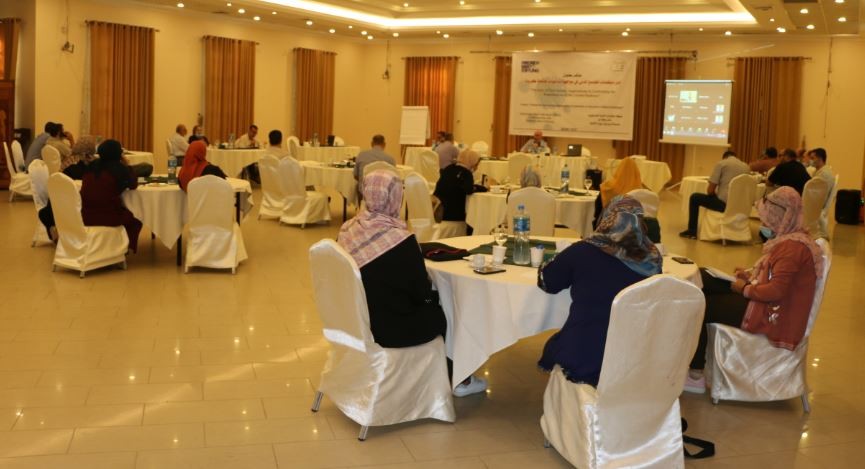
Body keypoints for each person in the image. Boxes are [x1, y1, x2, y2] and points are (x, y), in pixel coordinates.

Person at [337, 170, 487, 397]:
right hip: (390, 329)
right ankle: (459, 380)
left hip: (354, 320)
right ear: (395, 198)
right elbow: (421, 292)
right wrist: (437, 298)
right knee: (447, 312)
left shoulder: (347, 229)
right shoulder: (399, 239)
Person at [684, 187, 822, 393]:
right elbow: (776, 278)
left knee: (703, 305)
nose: (763, 224)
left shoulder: (792, 248)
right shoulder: (793, 239)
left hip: (772, 314)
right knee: (704, 277)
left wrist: (746, 288)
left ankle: (696, 374)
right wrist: (750, 278)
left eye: (767, 219)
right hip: (769, 304)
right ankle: (692, 361)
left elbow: (776, 291)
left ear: (780, 217)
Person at [537, 195, 662, 386]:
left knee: (557, 343)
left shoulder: (583, 251)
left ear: (607, 218)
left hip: (584, 354)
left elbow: (548, 282)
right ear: (639, 222)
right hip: (636, 357)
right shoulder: (652, 258)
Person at [79, 139, 142, 253]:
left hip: (85, 216)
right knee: (137, 218)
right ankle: (125, 248)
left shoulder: (91, 166)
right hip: (109, 217)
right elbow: (133, 185)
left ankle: (113, 245)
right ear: (118, 154)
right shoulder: (119, 169)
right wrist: (127, 165)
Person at [679, 150, 750, 239]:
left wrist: (716, 194)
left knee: (694, 197)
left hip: (724, 205)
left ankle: (692, 231)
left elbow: (710, 190)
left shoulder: (722, 164)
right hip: (740, 206)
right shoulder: (746, 167)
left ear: (724, 157)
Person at [434, 149, 488, 236]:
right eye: (476, 164)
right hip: (454, 216)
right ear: (472, 162)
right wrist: (482, 188)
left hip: (440, 212)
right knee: (474, 219)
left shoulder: (449, 168)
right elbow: (469, 190)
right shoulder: (466, 173)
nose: (476, 167)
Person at [594, 157, 642, 228]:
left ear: (619, 170)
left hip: (609, 227)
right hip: (634, 227)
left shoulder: (608, 187)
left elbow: (598, 210)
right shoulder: (641, 191)